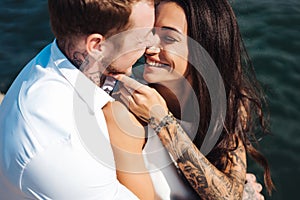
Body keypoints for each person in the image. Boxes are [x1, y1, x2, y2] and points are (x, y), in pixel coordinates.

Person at [106, 0, 275, 199]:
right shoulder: (130, 105)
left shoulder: (230, 104)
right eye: (151, 33)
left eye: (168, 38)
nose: (149, 48)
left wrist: (162, 120)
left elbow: (231, 193)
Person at [0, 0, 156, 199]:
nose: (151, 46)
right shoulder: (64, 144)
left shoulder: (64, 58)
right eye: (141, 38)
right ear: (97, 46)